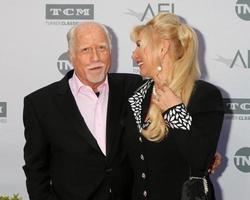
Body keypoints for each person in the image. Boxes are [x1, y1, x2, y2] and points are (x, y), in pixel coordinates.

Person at [22, 21, 142, 200]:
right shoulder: (40, 104)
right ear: (71, 56)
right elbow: (36, 171)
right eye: (86, 50)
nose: (96, 57)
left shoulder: (135, 88)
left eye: (102, 48)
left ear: (111, 51)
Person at [124, 12, 224, 200]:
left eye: (139, 46)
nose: (134, 54)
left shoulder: (204, 95)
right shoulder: (137, 94)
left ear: (162, 48)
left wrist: (174, 110)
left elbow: (201, 160)